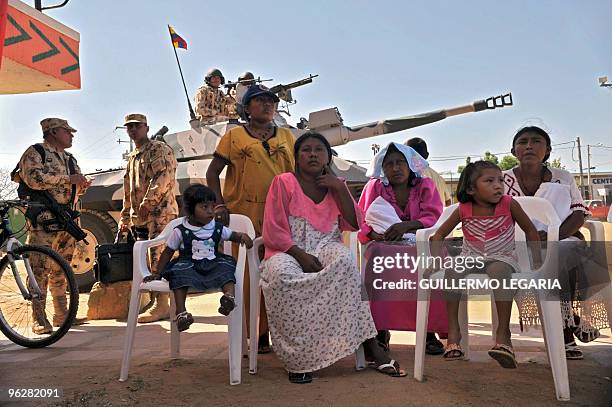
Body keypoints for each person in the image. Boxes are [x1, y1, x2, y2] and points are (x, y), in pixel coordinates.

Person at [261, 132, 406, 383]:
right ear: (297, 157)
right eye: (306, 150)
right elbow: (273, 230)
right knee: (283, 276)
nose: (313, 154)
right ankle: (299, 359)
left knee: (346, 263)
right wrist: (301, 255)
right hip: (288, 249)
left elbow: (353, 223)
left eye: (319, 149)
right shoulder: (283, 182)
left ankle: (372, 345)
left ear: (328, 156)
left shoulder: (335, 185)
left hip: (326, 244)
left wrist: (339, 188)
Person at [503, 125, 610, 359]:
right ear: (513, 150)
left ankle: (565, 331)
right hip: (516, 243)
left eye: (536, 141)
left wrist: (553, 236)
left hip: (560, 236)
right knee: (552, 258)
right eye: (522, 142)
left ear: (548, 150)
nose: (529, 146)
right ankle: (570, 324)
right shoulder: (503, 180)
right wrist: (529, 238)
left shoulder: (563, 177)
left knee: (563, 254)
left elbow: (579, 214)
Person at [206, 84, 295, 353]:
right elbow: (213, 173)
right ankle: (254, 335)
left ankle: (278, 334)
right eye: (260, 101)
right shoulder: (234, 136)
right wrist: (219, 205)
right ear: (246, 108)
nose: (267, 105)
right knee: (246, 276)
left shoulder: (288, 137)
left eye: (271, 101)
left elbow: (296, 176)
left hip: (280, 216)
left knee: (280, 273)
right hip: (244, 215)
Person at [430, 161, 541, 368]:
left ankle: (503, 335)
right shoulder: (463, 209)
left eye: (500, 180)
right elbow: (438, 236)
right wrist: (435, 263)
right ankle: (454, 333)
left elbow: (531, 231)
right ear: (471, 189)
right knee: (453, 270)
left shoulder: (509, 204)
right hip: (470, 257)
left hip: (502, 258)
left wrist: (537, 263)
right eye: (489, 181)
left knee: (498, 271)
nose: (498, 185)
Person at [357, 142, 446, 355]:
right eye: (389, 164)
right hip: (383, 243)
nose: (395, 168)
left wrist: (406, 225)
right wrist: (373, 233)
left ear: (410, 165)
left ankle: (428, 331)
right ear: (382, 168)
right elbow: (362, 216)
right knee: (379, 257)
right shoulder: (375, 186)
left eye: (400, 163)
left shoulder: (425, 185)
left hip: (420, 242)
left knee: (436, 258)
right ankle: (380, 330)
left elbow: (434, 215)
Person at [14, 118, 90, 333]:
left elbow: (72, 188)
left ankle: (62, 314)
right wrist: (68, 179)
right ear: (53, 132)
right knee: (39, 268)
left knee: (62, 268)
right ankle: (39, 318)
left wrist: (81, 185)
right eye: (67, 132)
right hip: (44, 222)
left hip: (67, 220)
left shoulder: (69, 158)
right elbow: (33, 179)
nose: (71, 135)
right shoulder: (36, 152)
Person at [143, 184, 253, 331]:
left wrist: (241, 236)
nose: (210, 212)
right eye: (204, 207)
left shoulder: (216, 227)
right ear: (190, 210)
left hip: (214, 263)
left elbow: (232, 235)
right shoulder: (180, 231)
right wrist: (158, 273)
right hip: (189, 266)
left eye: (212, 207)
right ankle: (181, 313)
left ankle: (229, 298)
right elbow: (168, 252)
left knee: (227, 270)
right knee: (178, 277)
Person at [119, 113, 179, 323]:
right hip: (143, 217)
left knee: (160, 257)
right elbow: (128, 189)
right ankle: (160, 301)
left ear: (146, 127)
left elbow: (163, 177)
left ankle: (162, 304)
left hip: (160, 213)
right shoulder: (134, 157)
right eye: (129, 127)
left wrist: (148, 202)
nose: (133, 130)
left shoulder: (158, 149)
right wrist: (125, 216)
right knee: (149, 259)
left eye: (137, 126)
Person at [405, 137, 452, 206]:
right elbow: (448, 201)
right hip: (440, 215)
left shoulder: (409, 175)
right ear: (427, 155)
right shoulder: (438, 177)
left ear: (407, 154)